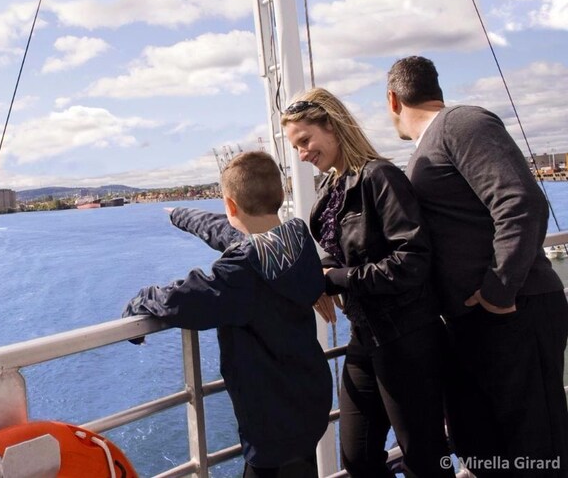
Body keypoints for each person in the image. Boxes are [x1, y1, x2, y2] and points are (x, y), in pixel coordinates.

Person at [387, 55, 568, 477]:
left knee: (535, 449)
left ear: (392, 99)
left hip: (514, 311)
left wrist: (498, 289)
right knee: (483, 447)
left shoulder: (461, 124)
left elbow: (520, 203)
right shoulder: (429, 146)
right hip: (479, 320)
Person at [122, 151, 332, 478]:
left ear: (231, 205)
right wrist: (181, 215)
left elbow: (184, 300)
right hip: (310, 405)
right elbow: (229, 232)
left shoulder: (243, 271)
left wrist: (140, 300)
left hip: (272, 426)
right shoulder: (298, 240)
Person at [282, 87, 453, 478]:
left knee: (424, 454)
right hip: (366, 334)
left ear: (332, 124)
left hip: (407, 337)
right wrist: (322, 275)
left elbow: (412, 261)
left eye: (306, 141)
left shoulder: (380, 177)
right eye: (297, 147)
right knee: (357, 456)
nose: (303, 154)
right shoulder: (330, 189)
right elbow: (334, 248)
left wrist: (337, 280)